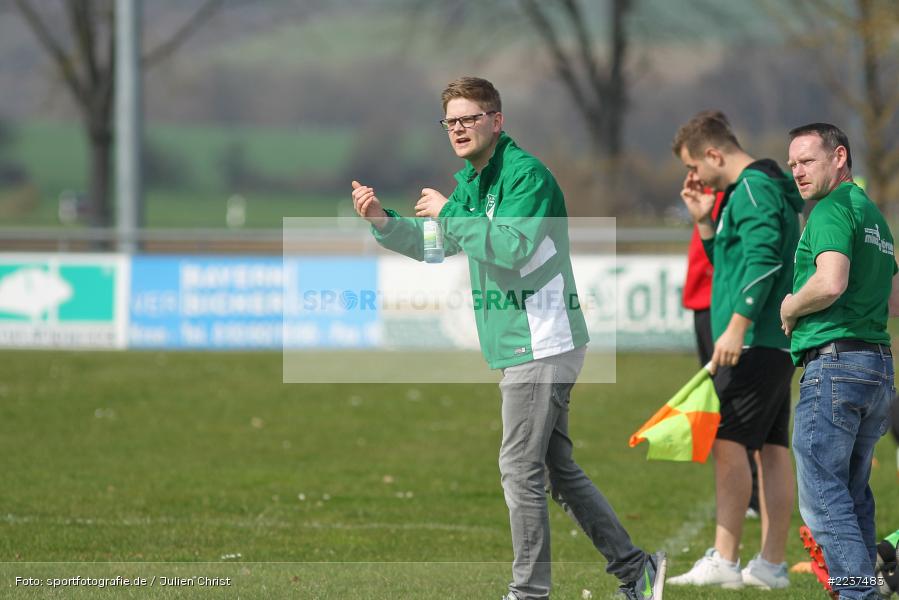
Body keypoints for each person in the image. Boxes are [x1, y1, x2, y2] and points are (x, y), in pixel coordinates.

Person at [350, 76, 666, 600]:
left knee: (519, 469)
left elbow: (514, 247)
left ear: (496, 120)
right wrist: (384, 221)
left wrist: (452, 211)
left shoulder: (527, 177)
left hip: (543, 339)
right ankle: (637, 570)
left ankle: (529, 592)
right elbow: (437, 245)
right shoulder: (474, 185)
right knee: (556, 471)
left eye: (469, 118)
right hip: (524, 342)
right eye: (450, 121)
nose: (458, 129)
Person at [668, 110, 802, 589]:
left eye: (694, 167)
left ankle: (725, 559)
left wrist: (738, 325)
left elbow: (765, 263)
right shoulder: (744, 194)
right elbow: (731, 267)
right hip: (768, 341)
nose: (693, 178)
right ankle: (769, 566)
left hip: (754, 341)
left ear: (713, 154)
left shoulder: (751, 190)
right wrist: (705, 225)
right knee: (771, 448)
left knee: (728, 445)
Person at [780, 122, 899, 600]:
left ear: (839, 157)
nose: (798, 173)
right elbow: (891, 296)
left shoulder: (829, 210)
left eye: (807, 161)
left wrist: (790, 306)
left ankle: (858, 594)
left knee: (825, 502)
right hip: (876, 368)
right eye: (792, 165)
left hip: (835, 367)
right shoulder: (872, 214)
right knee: (852, 496)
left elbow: (830, 282)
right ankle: (863, 586)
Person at [681, 189, 763, 520]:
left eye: (692, 163)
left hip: (719, 305)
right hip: (704, 306)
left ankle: (752, 496)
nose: (689, 175)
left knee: (734, 405)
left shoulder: (734, 194)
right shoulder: (707, 195)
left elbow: (744, 256)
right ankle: (745, 494)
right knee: (719, 402)